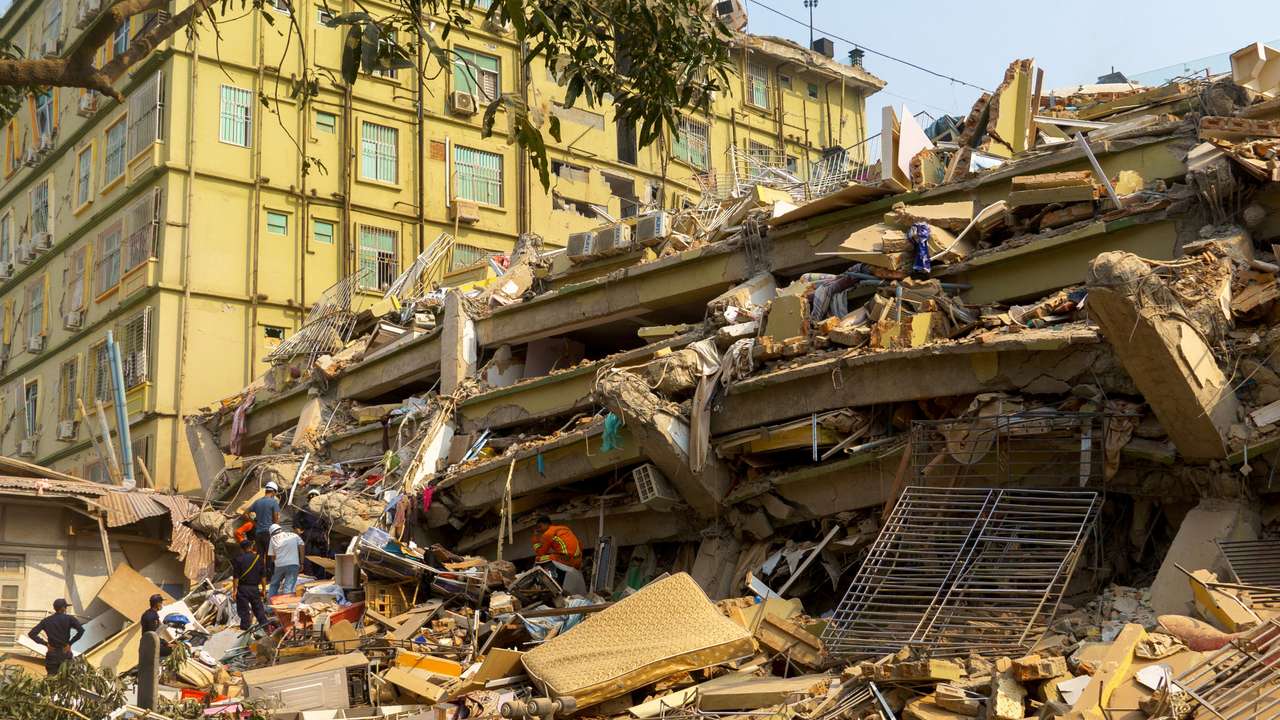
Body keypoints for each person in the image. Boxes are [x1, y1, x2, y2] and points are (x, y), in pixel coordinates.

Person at [28, 598, 84, 675]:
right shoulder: (69, 619)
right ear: (63, 608)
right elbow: (81, 630)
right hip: (65, 652)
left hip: (52, 653)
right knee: (67, 679)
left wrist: (45, 644)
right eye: (66, 607)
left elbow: (31, 634)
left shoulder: (46, 621)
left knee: (51, 680)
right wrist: (70, 644)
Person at [231, 539, 270, 631]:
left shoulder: (238, 559)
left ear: (242, 549)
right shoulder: (258, 559)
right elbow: (263, 576)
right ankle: (266, 629)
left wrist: (234, 590)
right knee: (259, 610)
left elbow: (235, 577)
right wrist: (264, 589)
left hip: (242, 588)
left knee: (244, 612)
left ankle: (245, 631)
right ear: (251, 547)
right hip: (254, 588)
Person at [248, 482, 282, 572]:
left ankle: (259, 575)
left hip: (258, 533)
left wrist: (254, 523)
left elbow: (245, 513)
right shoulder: (273, 502)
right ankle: (269, 577)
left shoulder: (257, 502)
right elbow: (276, 518)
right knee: (270, 556)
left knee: (260, 555)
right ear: (274, 492)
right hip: (269, 533)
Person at [267, 523, 305, 597]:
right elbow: (302, 545)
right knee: (289, 586)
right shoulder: (293, 535)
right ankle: (287, 605)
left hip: (279, 565)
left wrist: (275, 563)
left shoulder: (273, 539)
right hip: (293, 564)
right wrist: (302, 562)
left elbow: (272, 557)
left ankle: (270, 605)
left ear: (271, 533)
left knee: (274, 585)